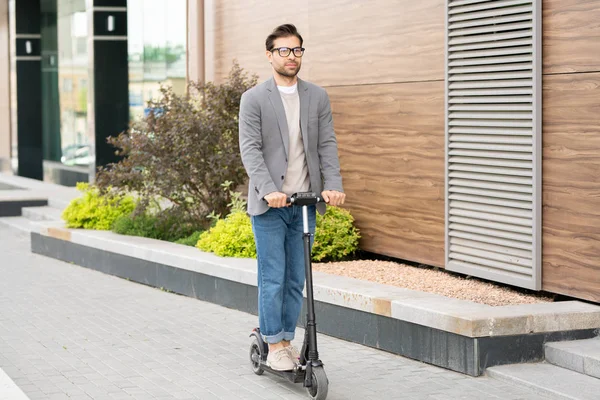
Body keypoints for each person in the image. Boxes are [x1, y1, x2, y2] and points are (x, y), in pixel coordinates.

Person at [239, 23, 346, 371]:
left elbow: (326, 145)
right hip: (270, 205)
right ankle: (275, 344)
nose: (291, 56)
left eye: (297, 50)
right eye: (283, 50)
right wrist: (268, 190)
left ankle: (286, 337)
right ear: (269, 55)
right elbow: (250, 151)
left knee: (296, 278)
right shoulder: (254, 98)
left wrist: (333, 184)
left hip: (304, 204)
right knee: (273, 276)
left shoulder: (317, 96)